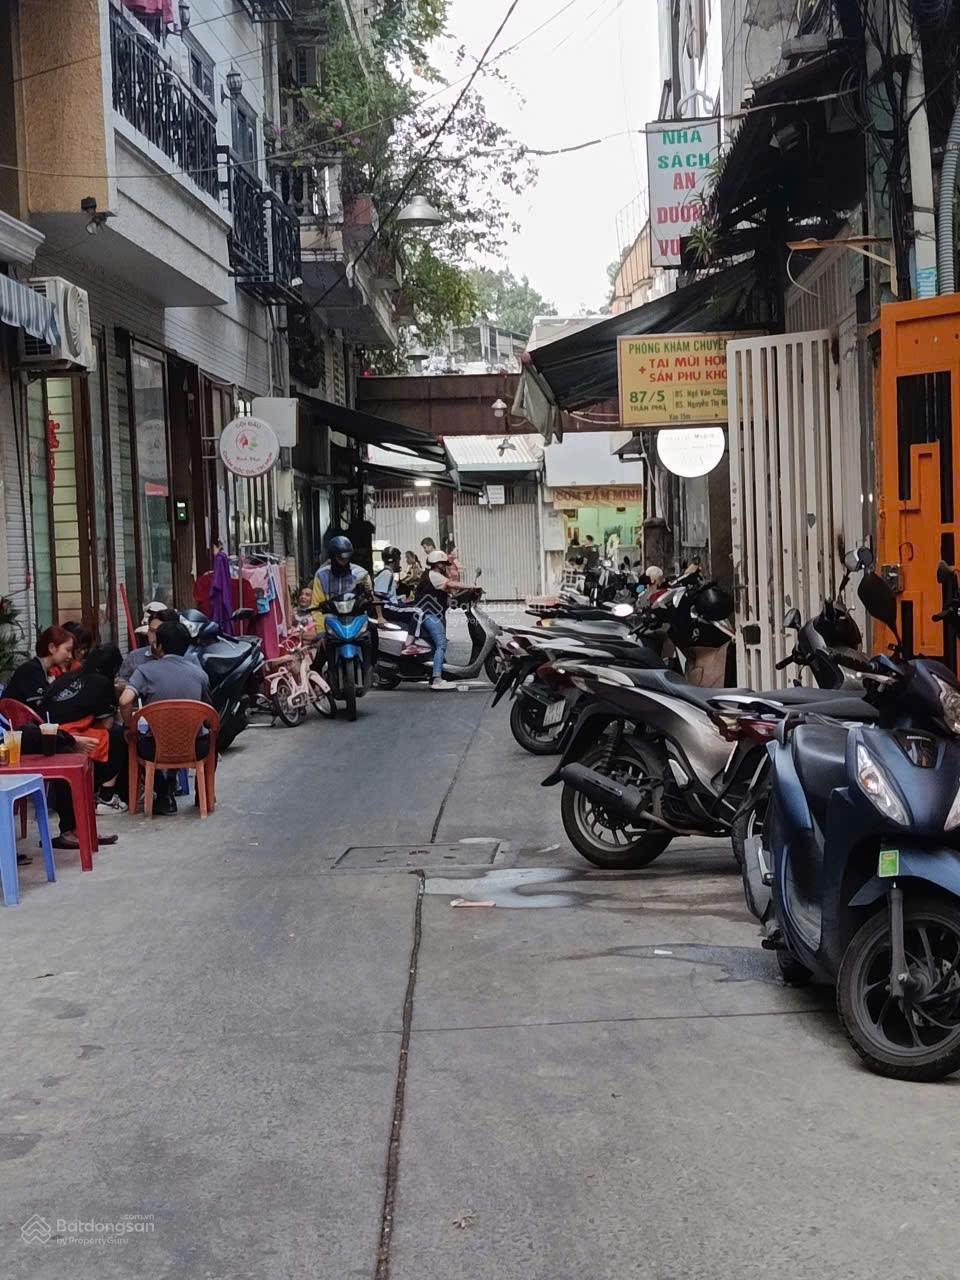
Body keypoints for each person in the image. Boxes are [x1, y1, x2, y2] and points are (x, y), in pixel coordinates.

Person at [119, 621, 212, 816]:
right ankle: (203, 795)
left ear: (159, 646)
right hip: (195, 749)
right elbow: (209, 716)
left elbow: (124, 701)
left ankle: (163, 794)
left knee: (135, 740)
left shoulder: (145, 671)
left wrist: (129, 726)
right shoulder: (200, 674)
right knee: (210, 739)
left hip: (155, 750)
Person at [42, 644, 128, 814]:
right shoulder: (102, 682)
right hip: (71, 736)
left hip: (48, 734)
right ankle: (106, 797)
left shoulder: (69, 676)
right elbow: (106, 724)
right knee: (117, 735)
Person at [414, 548, 464, 691]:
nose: (445, 567)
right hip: (429, 615)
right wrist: (472, 586)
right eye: (443, 564)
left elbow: (448, 596)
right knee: (441, 644)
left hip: (433, 614)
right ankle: (437, 679)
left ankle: (440, 673)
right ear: (437, 564)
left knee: (436, 645)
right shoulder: (434, 575)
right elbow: (452, 584)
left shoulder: (434, 576)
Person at [4, 625, 75, 710]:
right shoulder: (32, 671)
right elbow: (39, 706)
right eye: (68, 650)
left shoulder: (43, 670)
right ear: (52, 648)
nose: (70, 656)